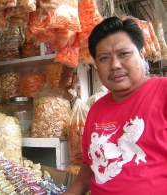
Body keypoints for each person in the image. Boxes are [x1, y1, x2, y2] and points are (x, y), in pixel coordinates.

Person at [62, 17, 167, 194]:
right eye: (104, 58)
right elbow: (87, 171)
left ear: (141, 55)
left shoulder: (163, 92)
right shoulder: (96, 109)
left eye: (124, 54)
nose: (114, 65)